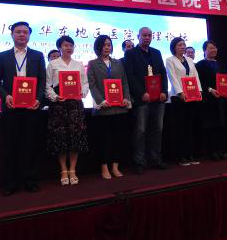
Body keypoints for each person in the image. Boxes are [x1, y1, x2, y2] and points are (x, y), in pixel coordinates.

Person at [0, 22, 46, 195]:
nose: (22, 34)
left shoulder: (38, 55)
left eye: (25, 32)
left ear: (29, 35)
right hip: (11, 107)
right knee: (11, 145)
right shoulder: (2, 56)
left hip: (32, 108)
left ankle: (30, 180)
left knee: (31, 144)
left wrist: (38, 99)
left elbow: (42, 80)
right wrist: (5, 96)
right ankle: (11, 182)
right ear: (12, 35)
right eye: (18, 32)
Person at [123, 27, 169, 174]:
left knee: (157, 130)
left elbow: (163, 73)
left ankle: (156, 159)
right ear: (138, 36)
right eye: (144, 35)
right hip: (141, 100)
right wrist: (141, 93)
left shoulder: (157, 52)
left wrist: (164, 91)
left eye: (149, 35)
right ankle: (139, 162)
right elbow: (130, 76)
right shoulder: (131, 53)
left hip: (158, 99)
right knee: (141, 131)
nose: (147, 38)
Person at [46, 35, 90, 185]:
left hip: (75, 105)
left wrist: (82, 93)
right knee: (61, 138)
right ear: (60, 47)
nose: (69, 48)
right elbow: (47, 85)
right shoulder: (53, 64)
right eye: (66, 45)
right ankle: (63, 170)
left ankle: (73, 169)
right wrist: (55, 96)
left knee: (75, 137)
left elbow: (85, 83)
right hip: (59, 105)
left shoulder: (78, 64)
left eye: (71, 45)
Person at [87, 34, 132, 179]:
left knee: (119, 139)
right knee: (104, 140)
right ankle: (104, 167)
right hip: (104, 109)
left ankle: (115, 167)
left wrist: (126, 98)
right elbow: (92, 85)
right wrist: (100, 101)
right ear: (98, 47)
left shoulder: (118, 63)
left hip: (119, 108)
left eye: (109, 45)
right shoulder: (93, 64)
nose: (107, 47)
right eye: (104, 45)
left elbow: (124, 82)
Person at [166, 37, 203, 165]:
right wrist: (180, 92)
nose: (183, 47)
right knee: (181, 127)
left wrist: (199, 90)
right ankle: (182, 156)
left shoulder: (189, 60)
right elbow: (172, 77)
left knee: (190, 126)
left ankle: (191, 154)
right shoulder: (170, 60)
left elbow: (195, 76)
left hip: (192, 96)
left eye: (184, 44)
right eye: (180, 45)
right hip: (178, 97)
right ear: (174, 47)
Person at [195, 40, 227, 160]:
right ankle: (212, 151)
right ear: (204, 50)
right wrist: (210, 90)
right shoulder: (200, 65)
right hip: (208, 99)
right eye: (210, 48)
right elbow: (199, 82)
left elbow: (225, 80)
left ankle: (221, 150)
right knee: (211, 126)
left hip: (221, 99)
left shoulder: (221, 64)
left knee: (221, 125)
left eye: (215, 48)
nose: (214, 50)